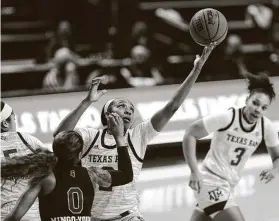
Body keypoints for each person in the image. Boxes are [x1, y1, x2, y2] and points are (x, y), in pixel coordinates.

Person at [54, 43, 216, 221]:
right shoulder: (91, 136)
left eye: (131, 108)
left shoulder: (138, 135)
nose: (128, 110)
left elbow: (172, 107)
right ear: (107, 113)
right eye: (121, 105)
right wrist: (86, 102)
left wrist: (196, 70)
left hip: (127, 216)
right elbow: (60, 136)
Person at [182, 73, 279, 221]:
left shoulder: (266, 126)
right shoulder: (228, 118)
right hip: (210, 181)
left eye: (264, 107)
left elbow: (277, 157)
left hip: (228, 186)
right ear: (247, 100)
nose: (258, 109)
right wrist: (194, 171)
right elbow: (190, 133)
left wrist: (275, 170)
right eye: (255, 103)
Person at [2, 112, 133, 221]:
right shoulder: (92, 174)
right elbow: (126, 175)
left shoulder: (46, 178)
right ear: (80, 153)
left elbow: (15, 217)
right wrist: (119, 139)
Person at [1, 101, 47, 221]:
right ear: (5, 124)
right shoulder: (28, 140)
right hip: (30, 213)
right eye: (14, 118)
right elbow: (52, 171)